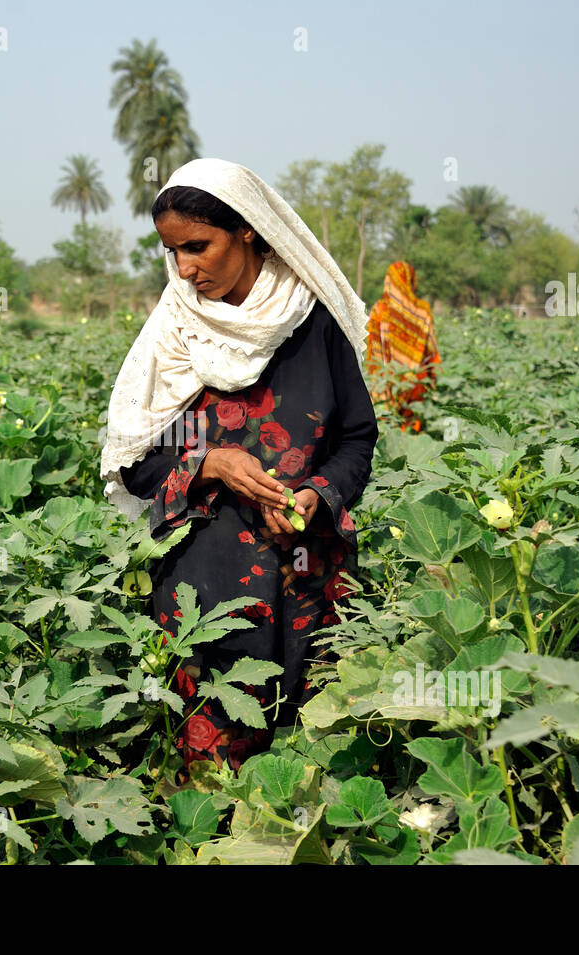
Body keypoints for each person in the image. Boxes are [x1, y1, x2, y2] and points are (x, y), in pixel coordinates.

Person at [100, 158, 379, 782]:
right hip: (206, 589)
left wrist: (316, 492)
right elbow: (136, 461)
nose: (185, 269)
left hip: (311, 577)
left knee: (316, 766)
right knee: (211, 779)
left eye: (198, 247)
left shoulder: (312, 323)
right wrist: (209, 464)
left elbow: (358, 437)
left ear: (249, 230)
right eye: (172, 252)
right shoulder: (174, 332)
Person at [363, 261, 441, 433]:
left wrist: (376, 379)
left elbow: (374, 349)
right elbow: (431, 348)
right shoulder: (422, 310)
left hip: (387, 379)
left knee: (387, 427)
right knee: (412, 431)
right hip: (415, 380)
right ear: (411, 280)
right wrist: (433, 377)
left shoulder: (380, 309)